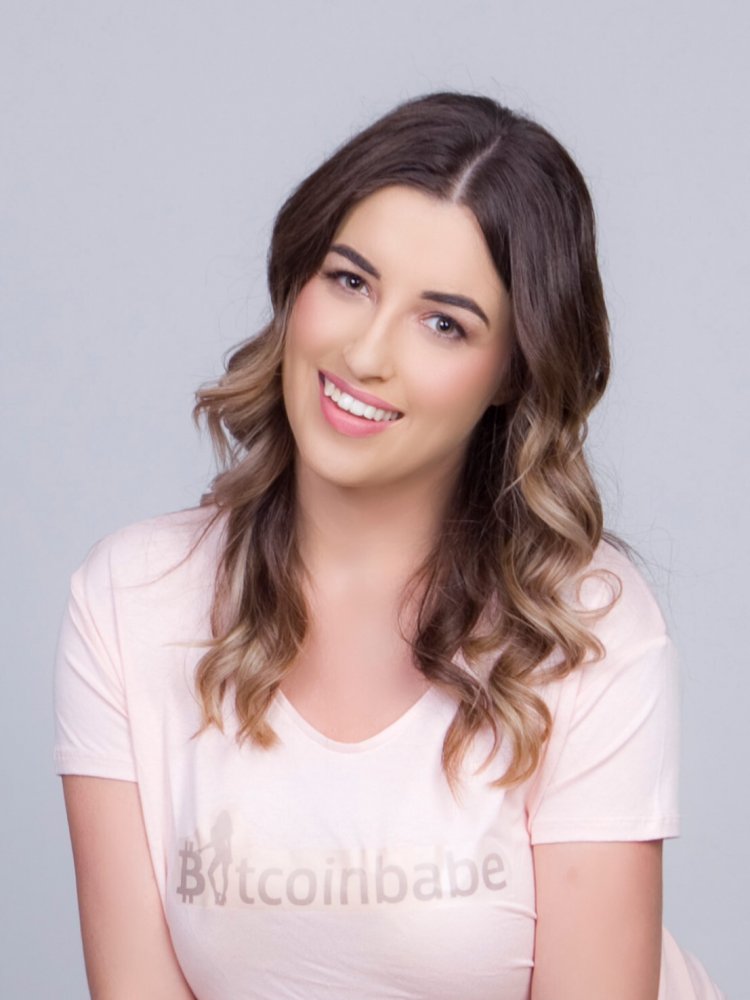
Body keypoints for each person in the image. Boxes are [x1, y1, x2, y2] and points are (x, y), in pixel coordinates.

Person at [53, 92, 724, 999]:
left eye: (444, 323)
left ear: (512, 372)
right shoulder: (132, 600)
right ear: (298, 282)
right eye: (350, 281)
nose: (367, 354)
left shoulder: (587, 627)